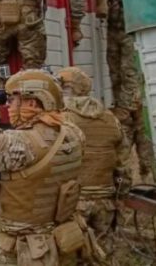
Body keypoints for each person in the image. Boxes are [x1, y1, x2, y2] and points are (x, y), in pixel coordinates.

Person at [0, 69, 85, 266]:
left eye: (12, 100)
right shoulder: (74, 133)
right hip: (62, 241)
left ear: (32, 102)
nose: (8, 106)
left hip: (25, 253)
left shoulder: (20, 143)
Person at [58, 67, 130, 264]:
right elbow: (122, 164)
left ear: (65, 88)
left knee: (71, 254)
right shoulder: (109, 118)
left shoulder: (61, 119)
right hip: (105, 200)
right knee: (104, 254)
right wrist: (120, 195)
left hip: (72, 202)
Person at [106, 0, 156, 178]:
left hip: (132, 97)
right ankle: (135, 174)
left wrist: (127, 105)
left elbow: (130, 73)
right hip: (125, 96)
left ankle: (148, 171)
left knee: (141, 129)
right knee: (131, 130)